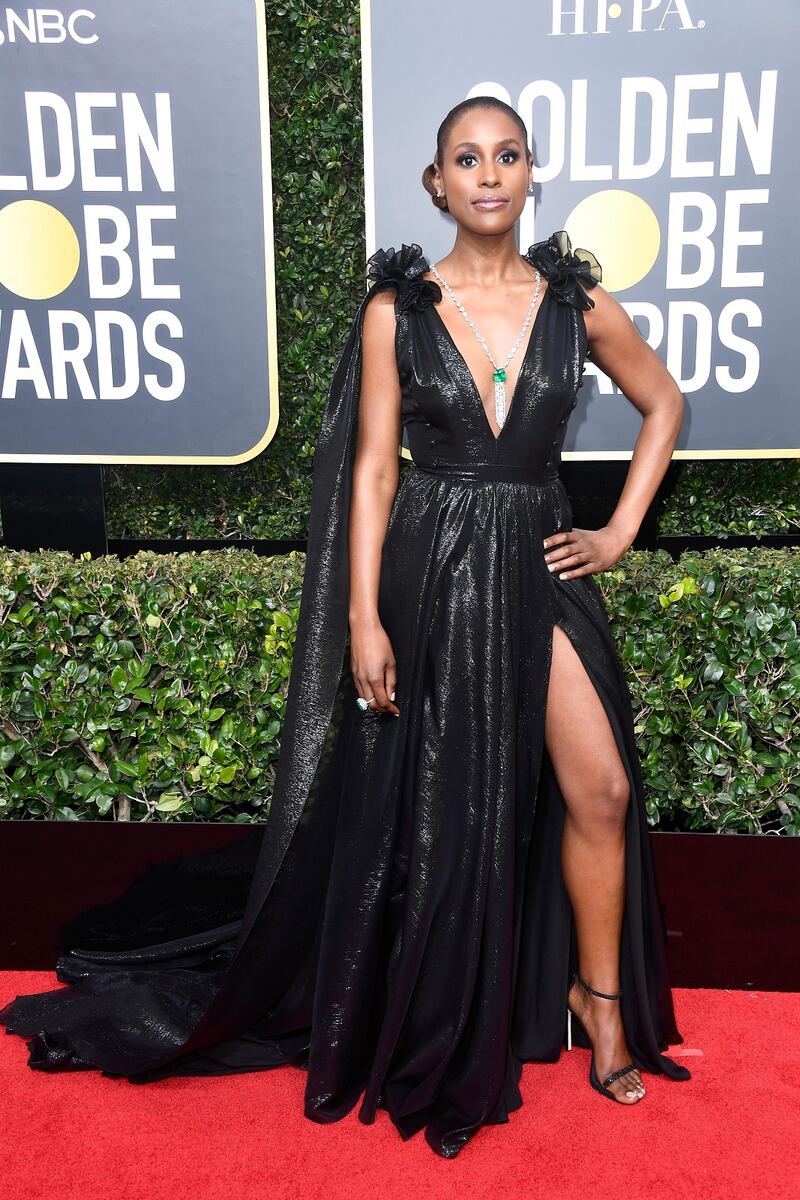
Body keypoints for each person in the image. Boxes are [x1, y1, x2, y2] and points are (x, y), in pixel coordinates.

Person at [0, 96, 691, 1160]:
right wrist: (363, 615)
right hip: (434, 568)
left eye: (506, 155)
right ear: (436, 184)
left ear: (529, 173)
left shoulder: (575, 301)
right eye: (466, 158)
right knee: (442, 814)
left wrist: (617, 529)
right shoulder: (396, 310)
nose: (488, 174)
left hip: (540, 558)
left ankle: (596, 1001)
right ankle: (432, 1007)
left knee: (596, 786)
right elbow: (372, 470)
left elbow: (663, 400)